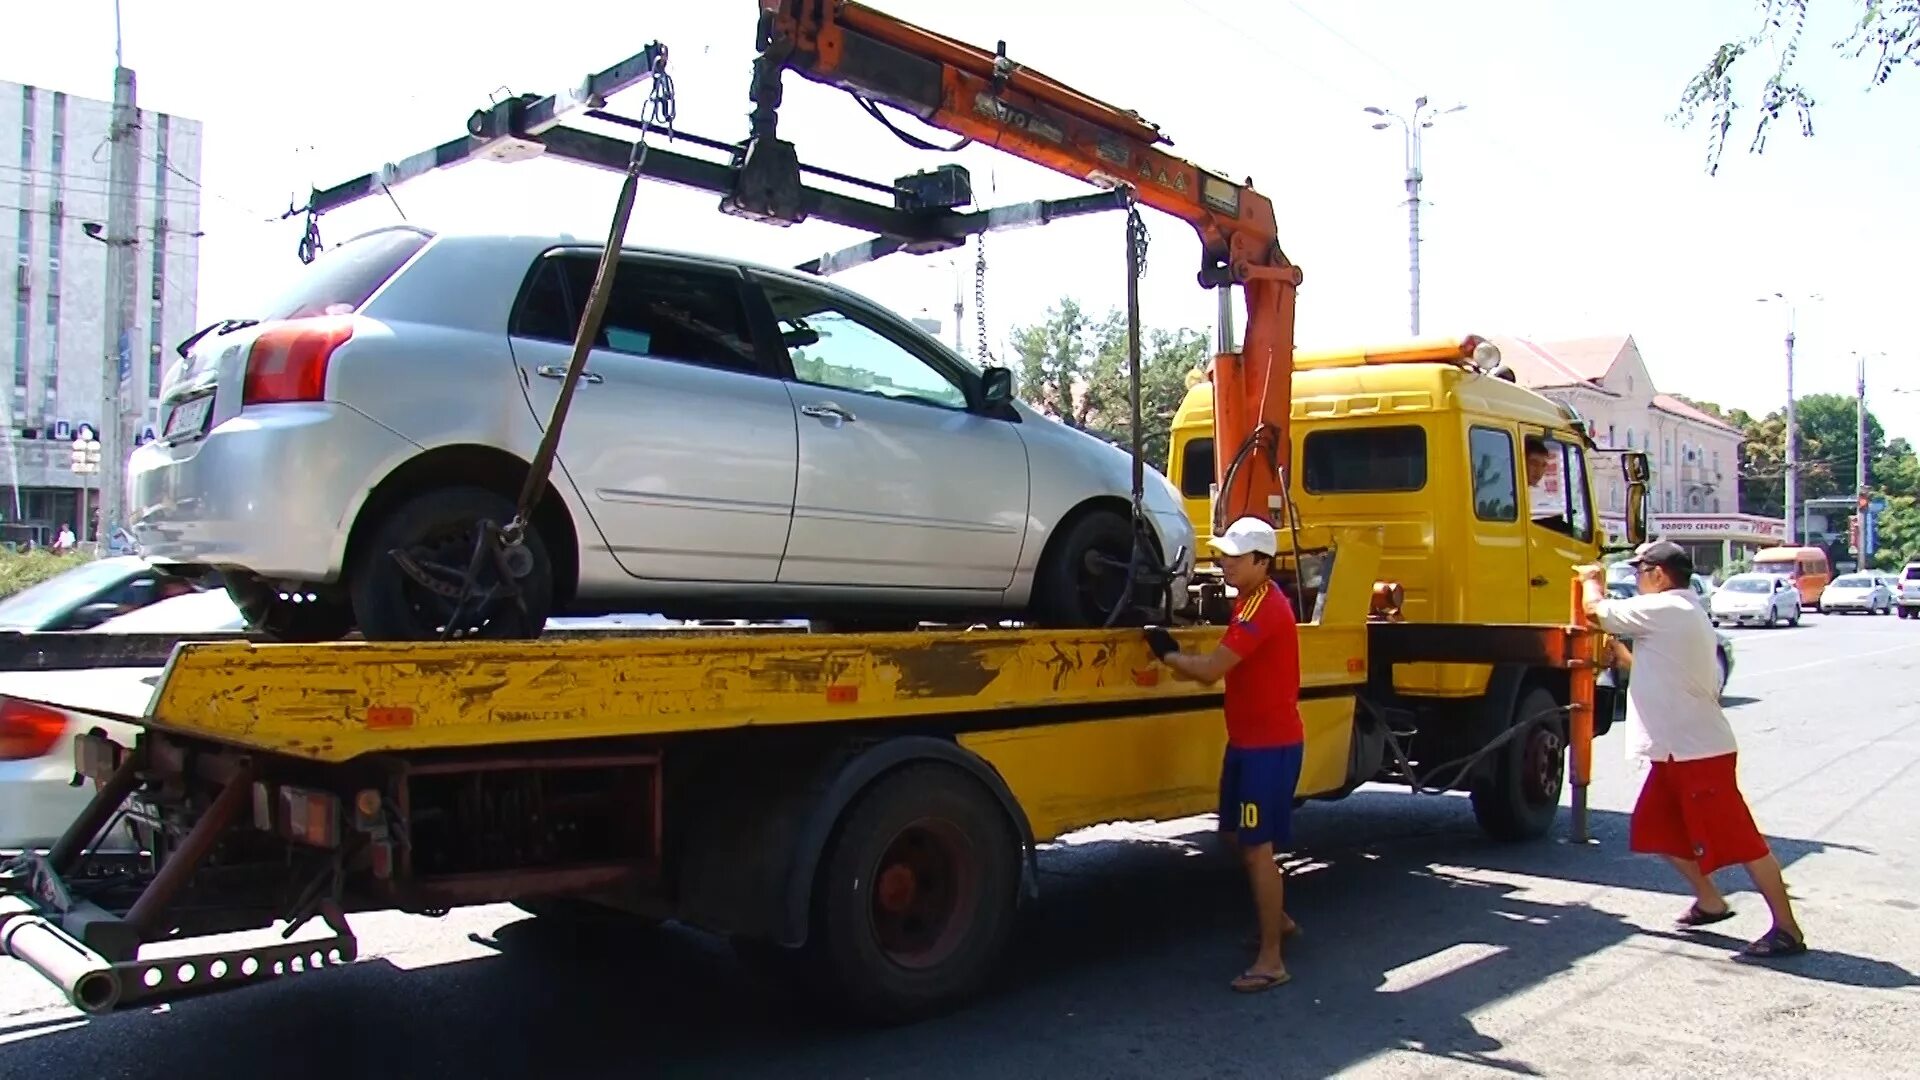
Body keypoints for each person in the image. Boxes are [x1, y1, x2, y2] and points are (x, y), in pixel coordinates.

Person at [1577, 540, 1807, 959]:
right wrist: (1623, 658)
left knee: (1744, 843)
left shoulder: (1670, 608)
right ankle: (1711, 901)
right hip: (1673, 752)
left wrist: (1591, 580)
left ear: (1658, 574)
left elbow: (1597, 611)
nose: (1637, 579)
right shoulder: (1677, 613)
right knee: (1654, 830)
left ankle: (1787, 928)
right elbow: (1660, 671)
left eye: (1640, 571)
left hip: (1697, 753)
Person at [1145, 516, 1305, 992]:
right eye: (1223, 554)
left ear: (1262, 561)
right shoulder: (1249, 600)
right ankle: (1279, 920)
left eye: (1235, 557)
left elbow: (1213, 670)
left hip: (1267, 749)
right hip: (1248, 744)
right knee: (1235, 835)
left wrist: (1167, 654)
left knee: (1257, 849)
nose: (1225, 563)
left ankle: (1271, 960)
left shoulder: (1262, 609)